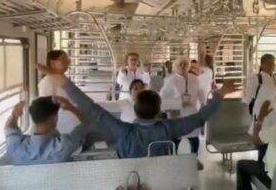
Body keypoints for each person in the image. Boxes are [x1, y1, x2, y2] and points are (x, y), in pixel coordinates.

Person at [37, 63, 238, 158]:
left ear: (135, 107)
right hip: (160, 177)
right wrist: (221, 94)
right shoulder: (169, 129)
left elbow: (91, 109)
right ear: (159, 109)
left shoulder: (123, 131)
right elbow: (201, 116)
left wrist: (63, 81)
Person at [5, 96, 89, 165]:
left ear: (34, 118)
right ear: (54, 118)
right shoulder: (64, 145)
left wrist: (14, 115)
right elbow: (88, 123)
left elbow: (9, 128)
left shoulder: (16, 148)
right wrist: (71, 107)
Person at [243, 54, 276, 162]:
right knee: (262, 140)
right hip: (261, 114)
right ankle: (262, 166)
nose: (273, 65)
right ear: (262, 64)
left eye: (273, 62)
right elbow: (248, 97)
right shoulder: (256, 78)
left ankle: (272, 166)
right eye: (270, 63)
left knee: (274, 140)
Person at [160, 57, 202, 155]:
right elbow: (161, 99)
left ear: (189, 65)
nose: (183, 66)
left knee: (194, 139)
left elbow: (201, 96)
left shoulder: (195, 79)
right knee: (175, 140)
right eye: (180, 64)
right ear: (175, 67)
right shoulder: (170, 80)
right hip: (176, 115)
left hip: (192, 114)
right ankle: (174, 159)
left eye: (185, 64)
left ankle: (194, 159)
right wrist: (177, 104)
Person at [99, 79, 182, 123]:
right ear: (130, 91)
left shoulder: (151, 102)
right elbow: (106, 105)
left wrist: (182, 103)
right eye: (135, 89)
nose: (139, 90)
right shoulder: (125, 103)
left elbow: (167, 103)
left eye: (141, 88)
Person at [38, 50, 80, 134]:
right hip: (62, 126)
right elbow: (46, 110)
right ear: (52, 63)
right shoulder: (46, 83)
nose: (68, 62)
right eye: (63, 59)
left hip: (73, 121)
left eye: (67, 59)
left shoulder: (63, 78)